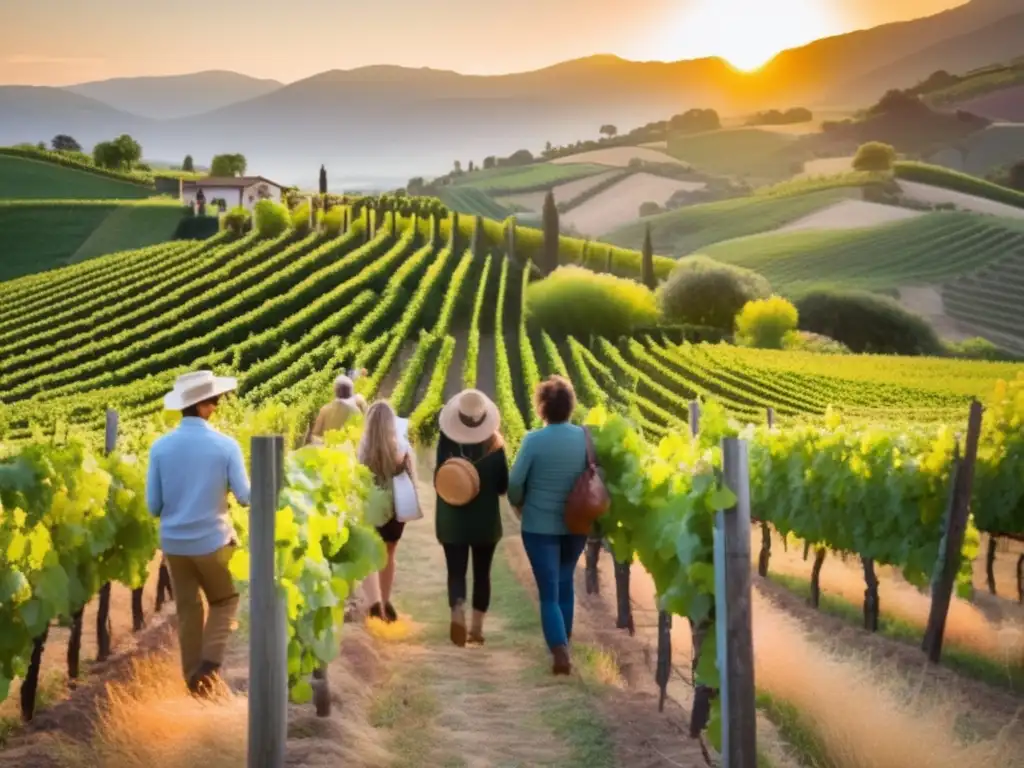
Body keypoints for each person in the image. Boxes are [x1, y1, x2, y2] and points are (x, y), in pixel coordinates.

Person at [146, 370, 250, 696]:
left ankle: (194, 682)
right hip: (213, 542)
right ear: (204, 405)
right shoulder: (225, 446)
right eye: (214, 401)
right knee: (225, 600)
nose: (217, 406)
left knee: (189, 609)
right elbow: (247, 497)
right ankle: (209, 664)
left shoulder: (160, 448)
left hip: (174, 545)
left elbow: (153, 506)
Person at [508, 376, 588, 675]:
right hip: (576, 525)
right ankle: (564, 642)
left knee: (549, 592)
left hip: (539, 526)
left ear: (542, 408)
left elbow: (515, 483)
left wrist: (519, 503)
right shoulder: (585, 438)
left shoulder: (533, 440)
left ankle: (559, 651)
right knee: (566, 582)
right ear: (570, 406)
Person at [434, 389, 509, 647]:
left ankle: (457, 609)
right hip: (484, 522)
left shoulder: (446, 441)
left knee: (455, 572)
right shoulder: (496, 446)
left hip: (452, 519)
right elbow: (502, 487)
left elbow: (438, 478)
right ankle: (476, 630)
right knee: (482, 574)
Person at [358, 400, 415, 623]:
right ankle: (386, 601)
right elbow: (411, 479)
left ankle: (374, 603)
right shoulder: (401, 447)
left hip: (372, 508)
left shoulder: (363, 448)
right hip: (395, 509)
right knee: (389, 553)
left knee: (369, 555)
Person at [307, 374, 367, 444]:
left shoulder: (325, 410)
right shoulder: (355, 411)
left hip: (328, 451)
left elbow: (315, 436)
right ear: (351, 391)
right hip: (348, 452)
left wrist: (325, 443)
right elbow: (362, 435)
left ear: (335, 391)